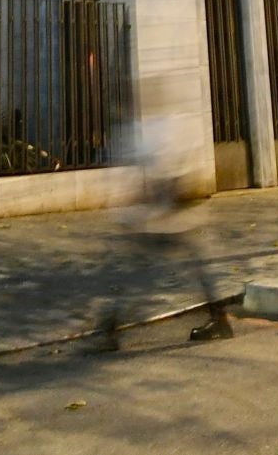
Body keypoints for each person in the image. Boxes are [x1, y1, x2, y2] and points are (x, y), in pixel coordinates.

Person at [95, 106, 233, 350]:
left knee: (135, 272)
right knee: (192, 268)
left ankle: (110, 330)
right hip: (165, 221)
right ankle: (219, 318)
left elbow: (173, 180)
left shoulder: (159, 130)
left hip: (165, 221)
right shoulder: (156, 130)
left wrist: (146, 205)